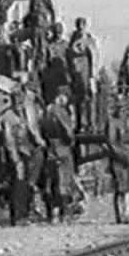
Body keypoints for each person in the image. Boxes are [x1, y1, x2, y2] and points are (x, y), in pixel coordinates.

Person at [0, 87, 46, 225]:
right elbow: (9, 139)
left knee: (31, 182)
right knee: (19, 182)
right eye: (16, 97)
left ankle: (31, 209)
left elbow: (35, 128)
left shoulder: (30, 111)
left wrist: (40, 142)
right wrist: (16, 159)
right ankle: (19, 215)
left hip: (32, 149)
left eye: (20, 96)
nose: (19, 100)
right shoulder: (8, 116)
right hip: (19, 151)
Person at [40, 88, 76, 222]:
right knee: (64, 179)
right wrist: (71, 139)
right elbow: (68, 132)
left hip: (50, 148)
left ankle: (53, 211)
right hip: (62, 148)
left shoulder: (45, 112)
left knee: (52, 180)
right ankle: (64, 211)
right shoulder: (61, 112)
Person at [66, 17, 98, 133]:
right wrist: (70, 74)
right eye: (79, 25)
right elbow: (68, 58)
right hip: (75, 75)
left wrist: (92, 76)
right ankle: (80, 124)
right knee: (78, 100)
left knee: (89, 99)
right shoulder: (72, 40)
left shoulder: (90, 40)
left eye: (82, 26)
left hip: (87, 73)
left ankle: (91, 124)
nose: (81, 28)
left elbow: (94, 58)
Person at [41, 22, 71, 105]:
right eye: (56, 33)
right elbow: (45, 61)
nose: (58, 35)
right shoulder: (49, 46)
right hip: (52, 76)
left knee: (65, 100)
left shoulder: (66, 45)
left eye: (60, 33)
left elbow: (70, 61)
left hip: (63, 75)